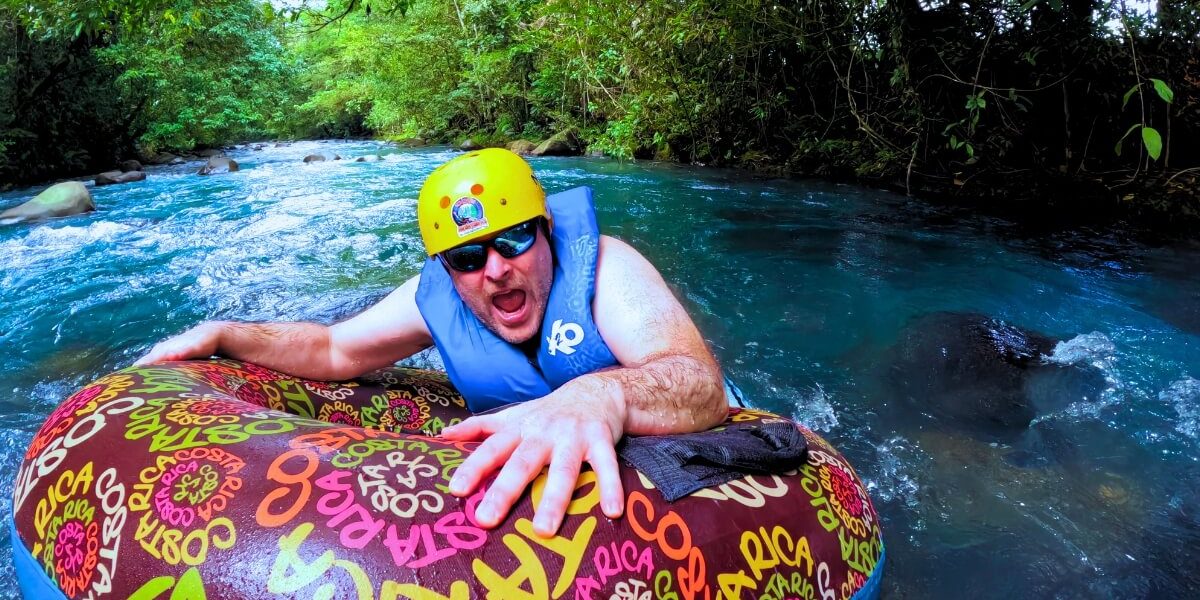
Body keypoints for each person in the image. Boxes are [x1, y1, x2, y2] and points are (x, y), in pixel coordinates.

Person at [135, 148, 728, 537]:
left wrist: (598, 395)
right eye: (469, 257)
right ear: (449, 270)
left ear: (546, 232)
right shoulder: (438, 297)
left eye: (514, 241)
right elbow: (333, 350)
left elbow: (702, 385)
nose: (495, 270)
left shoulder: (606, 270)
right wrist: (228, 333)